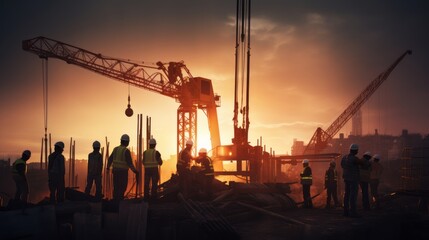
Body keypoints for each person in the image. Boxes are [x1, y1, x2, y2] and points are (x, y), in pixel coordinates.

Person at [107, 134, 139, 201]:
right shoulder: (126, 151)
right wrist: (135, 171)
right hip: (122, 173)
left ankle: (115, 201)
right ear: (127, 142)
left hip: (115, 172)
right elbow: (130, 163)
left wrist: (108, 168)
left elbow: (110, 159)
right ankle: (119, 201)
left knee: (116, 187)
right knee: (122, 187)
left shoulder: (115, 149)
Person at [341, 143, 363, 217]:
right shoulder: (355, 159)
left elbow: (342, 165)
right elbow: (362, 164)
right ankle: (353, 212)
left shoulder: (344, 157)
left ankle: (346, 212)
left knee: (346, 195)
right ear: (355, 150)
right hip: (353, 179)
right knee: (353, 196)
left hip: (346, 179)